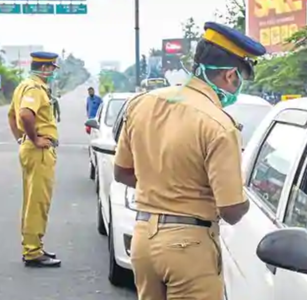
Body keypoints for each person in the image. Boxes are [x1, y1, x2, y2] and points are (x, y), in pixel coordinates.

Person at [113, 22, 266, 300]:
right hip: (189, 246)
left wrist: (162, 185)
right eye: (239, 79)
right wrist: (245, 200)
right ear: (231, 74)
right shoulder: (219, 124)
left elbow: (122, 172)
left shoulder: (142, 104)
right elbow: (230, 210)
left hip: (143, 239)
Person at [7, 51, 61, 268]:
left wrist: (21, 139)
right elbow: (25, 114)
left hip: (30, 148)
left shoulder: (23, 85)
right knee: (38, 202)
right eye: (52, 69)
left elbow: (11, 115)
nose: (53, 73)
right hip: (38, 151)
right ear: (46, 68)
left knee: (32, 200)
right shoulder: (35, 88)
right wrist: (34, 139)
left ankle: (32, 245)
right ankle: (33, 252)